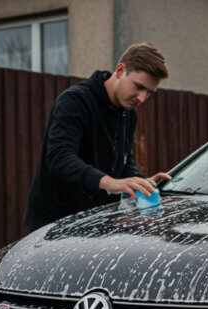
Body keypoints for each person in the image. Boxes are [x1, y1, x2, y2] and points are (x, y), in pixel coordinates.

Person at [24, 43, 172, 231]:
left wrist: (140, 183)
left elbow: (124, 163)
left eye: (149, 93)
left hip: (97, 221)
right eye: (138, 87)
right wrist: (110, 183)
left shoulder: (128, 112)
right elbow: (60, 158)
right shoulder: (75, 101)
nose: (142, 98)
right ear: (120, 70)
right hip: (54, 224)